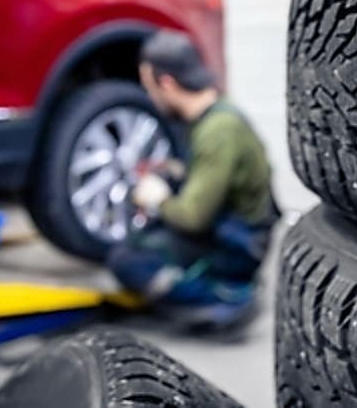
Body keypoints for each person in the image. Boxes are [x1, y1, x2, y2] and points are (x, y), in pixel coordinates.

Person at [106, 31, 277, 329]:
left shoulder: (218, 131)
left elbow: (193, 217)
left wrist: (158, 198)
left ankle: (227, 299)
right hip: (232, 230)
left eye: (150, 87)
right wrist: (177, 173)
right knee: (145, 241)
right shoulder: (214, 115)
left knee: (127, 260)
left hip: (238, 244)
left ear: (167, 83)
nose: (151, 97)